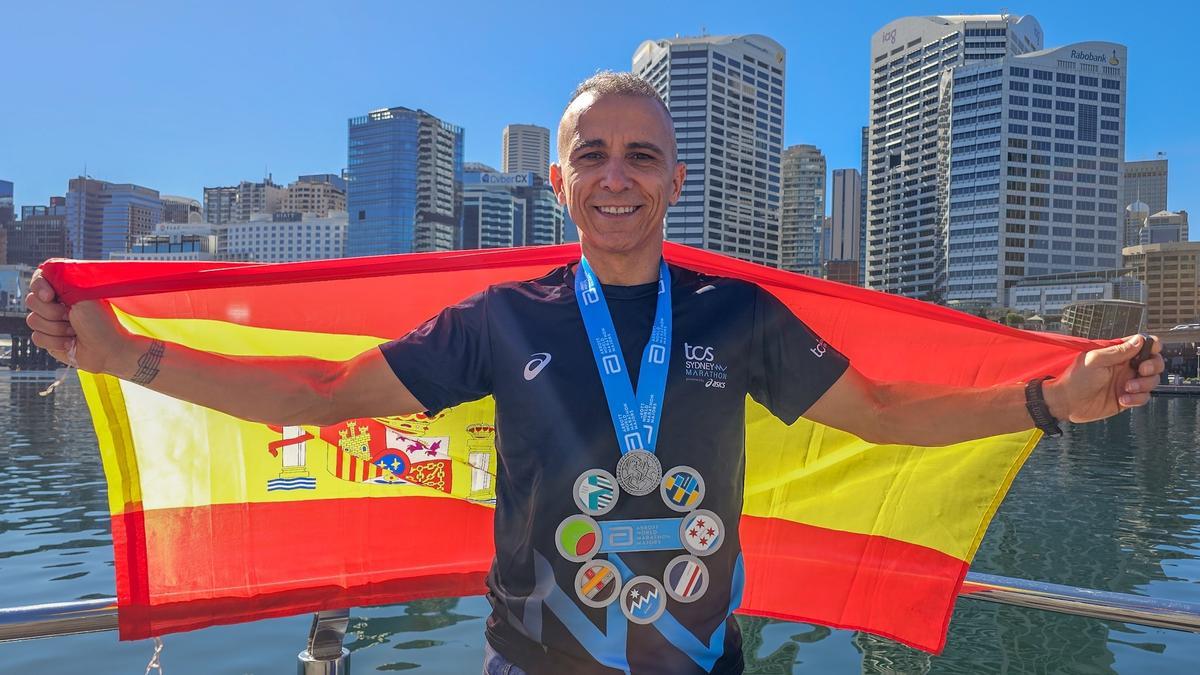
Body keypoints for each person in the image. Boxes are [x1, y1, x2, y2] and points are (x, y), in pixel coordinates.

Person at [26, 72, 1164, 675]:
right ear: (560, 185)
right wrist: (132, 358)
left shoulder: (738, 314)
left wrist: (1050, 399)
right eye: (592, 156)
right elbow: (319, 400)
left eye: (641, 155)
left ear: (674, 182)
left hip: (702, 657)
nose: (616, 175)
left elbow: (882, 413)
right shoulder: (496, 318)